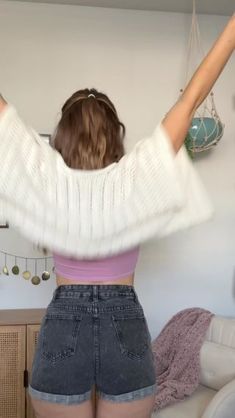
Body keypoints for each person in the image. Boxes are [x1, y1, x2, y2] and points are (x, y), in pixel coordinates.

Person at [0, 14, 234, 418]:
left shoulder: (47, 179)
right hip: (124, 322)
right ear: (116, 133)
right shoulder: (136, 176)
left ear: (62, 137)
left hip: (62, 323)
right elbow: (193, 96)